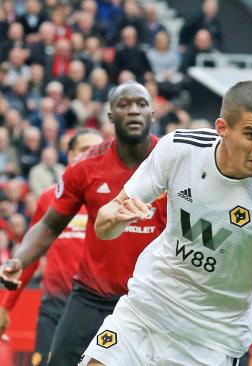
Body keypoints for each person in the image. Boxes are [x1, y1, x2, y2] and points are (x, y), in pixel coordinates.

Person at [80, 80, 252, 365]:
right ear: (222, 129)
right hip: (146, 309)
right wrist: (110, 219)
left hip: (210, 339)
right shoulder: (179, 150)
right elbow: (106, 226)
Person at [0, 82, 168, 366]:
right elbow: (49, 225)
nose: (134, 111)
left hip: (153, 298)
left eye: (141, 104)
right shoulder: (86, 165)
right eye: (124, 105)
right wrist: (19, 258)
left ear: (152, 112)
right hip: (93, 294)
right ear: (110, 115)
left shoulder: (172, 162)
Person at [0, 128, 103, 366]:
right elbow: (31, 256)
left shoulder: (118, 199)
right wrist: (6, 307)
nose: (93, 156)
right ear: (70, 155)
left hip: (97, 307)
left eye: (98, 150)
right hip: (54, 306)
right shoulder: (50, 198)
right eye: (85, 150)